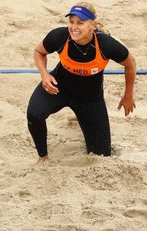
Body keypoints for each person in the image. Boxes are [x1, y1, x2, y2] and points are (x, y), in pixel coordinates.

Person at [27, 2, 136, 161]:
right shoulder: (59, 36)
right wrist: (44, 75)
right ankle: (43, 157)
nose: (74, 27)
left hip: (90, 98)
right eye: (71, 22)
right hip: (59, 87)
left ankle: (81, 117)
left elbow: (130, 64)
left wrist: (128, 95)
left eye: (80, 22)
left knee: (101, 155)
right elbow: (38, 52)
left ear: (92, 25)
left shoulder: (105, 44)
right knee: (34, 114)